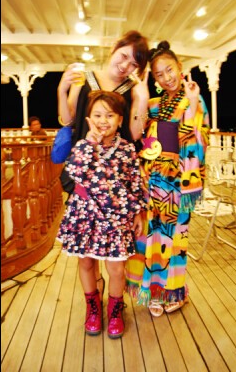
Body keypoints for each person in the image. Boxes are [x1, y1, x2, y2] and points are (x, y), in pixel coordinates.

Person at [56, 30, 150, 301]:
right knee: (86, 250)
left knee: (114, 252)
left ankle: (114, 301)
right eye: (124, 56)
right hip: (85, 169)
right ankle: (94, 292)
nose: (125, 66)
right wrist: (62, 89)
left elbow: (135, 134)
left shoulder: (131, 89)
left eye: (134, 64)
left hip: (115, 179)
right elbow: (67, 119)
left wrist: (142, 98)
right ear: (113, 48)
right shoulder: (84, 78)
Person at [125, 40, 210, 317]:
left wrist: (193, 103)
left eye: (169, 70)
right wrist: (140, 95)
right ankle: (153, 291)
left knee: (175, 242)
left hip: (180, 182)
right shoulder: (153, 104)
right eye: (159, 74)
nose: (166, 78)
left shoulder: (194, 98)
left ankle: (174, 291)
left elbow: (199, 141)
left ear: (179, 66)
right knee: (150, 238)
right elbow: (138, 133)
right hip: (153, 181)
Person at [56, 90, 146, 338]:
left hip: (116, 216)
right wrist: (91, 144)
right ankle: (93, 309)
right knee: (86, 262)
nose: (103, 121)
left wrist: (138, 213)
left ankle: (115, 310)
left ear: (120, 119)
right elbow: (74, 173)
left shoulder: (127, 149)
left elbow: (135, 182)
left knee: (116, 269)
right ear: (88, 119)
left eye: (109, 115)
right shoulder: (82, 146)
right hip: (84, 214)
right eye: (97, 115)